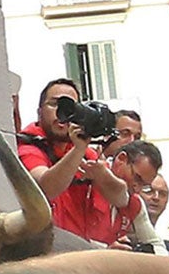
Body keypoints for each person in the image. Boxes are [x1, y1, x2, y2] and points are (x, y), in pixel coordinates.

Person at [15, 78, 135, 247]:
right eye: (54, 104)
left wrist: (102, 175)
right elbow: (45, 188)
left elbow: (121, 198)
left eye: (70, 106)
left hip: (77, 252)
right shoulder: (29, 146)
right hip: (44, 253)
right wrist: (78, 150)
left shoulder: (82, 147)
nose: (61, 112)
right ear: (39, 111)